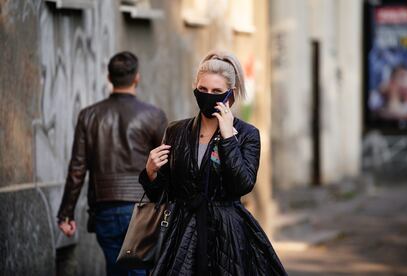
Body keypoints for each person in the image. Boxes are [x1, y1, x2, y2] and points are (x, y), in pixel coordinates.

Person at [139, 50, 287, 275]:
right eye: (203, 90)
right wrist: (150, 173)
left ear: (231, 94)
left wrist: (228, 139)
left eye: (217, 91)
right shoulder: (176, 131)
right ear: (195, 88)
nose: (209, 95)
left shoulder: (247, 134)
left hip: (226, 233)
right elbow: (165, 194)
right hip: (181, 233)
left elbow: (242, 185)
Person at [57, 51, 167, 276]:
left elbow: (77, 168)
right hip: (141, 207)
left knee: (115, 271)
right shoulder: (154, 115)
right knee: (138, 271)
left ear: (109, 77)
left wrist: (66, 213)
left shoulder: (89, 115)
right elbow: (165, 163)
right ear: (137, 77)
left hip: (104, 208)